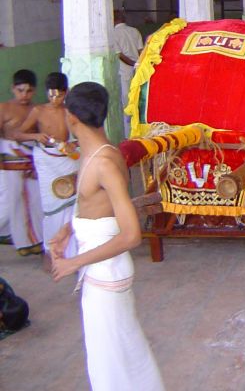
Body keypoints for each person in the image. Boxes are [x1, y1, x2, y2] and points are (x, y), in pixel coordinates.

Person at [49, 82, 164, 391]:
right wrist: (67, 229)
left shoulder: (103, 162)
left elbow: (131, 235)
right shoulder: (94, 153)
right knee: (121, 353)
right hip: (101, 270)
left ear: (71, 116)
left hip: (106, 273)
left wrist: (74, 263)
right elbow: (95, 208)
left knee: (110, 363)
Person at [12, 72, 79, 261]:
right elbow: (18, 134)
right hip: (47, 160)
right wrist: (35, 136)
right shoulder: (39, 111)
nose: (54, 99)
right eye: (51, 95)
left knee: (70, 202)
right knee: (51, 204)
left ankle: (71, 252)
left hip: (65, 159)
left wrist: (74, 143)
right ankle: (51, 253)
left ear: (66, 93)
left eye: (58, 95)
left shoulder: (69, 112)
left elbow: (78, 136)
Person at [0, 70, 44, 256]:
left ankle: (30, 240)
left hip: (30, 161)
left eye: (29, 91)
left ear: (34, 91)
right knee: (10, 201)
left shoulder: (36, 110)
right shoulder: (4, 108)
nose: (24, 95)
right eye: (20, 90)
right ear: (13, 89)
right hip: (7, 161)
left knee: (33, 201)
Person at [112, 10, 144, 138]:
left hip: (124, 71)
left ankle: (129, 135)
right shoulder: (134, 31)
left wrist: (132, 64)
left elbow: (119, 55)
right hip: (137, 70)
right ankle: (139, 131)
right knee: (137, 100)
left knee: (126, 104)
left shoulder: (113, 34)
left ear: (113, 20)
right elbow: (141, 51)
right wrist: (139, 65)